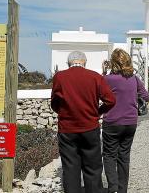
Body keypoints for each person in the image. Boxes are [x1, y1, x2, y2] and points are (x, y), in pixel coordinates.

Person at [51, 51, 116, 193]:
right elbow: (111, 100)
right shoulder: (95, 77)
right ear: (84, 62)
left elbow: (54, 103)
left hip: (67, 130)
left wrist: (64, 113)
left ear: (68, 63)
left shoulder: (60, 77)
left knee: (70, 168)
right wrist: (97, 113)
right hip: (90, 127)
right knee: (92, 168)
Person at [102, 48, 149, 193]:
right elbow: (146, 97)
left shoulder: (107, 79)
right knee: (124, 156)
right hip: (130, 123)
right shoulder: (134, 78)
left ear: (113, 63)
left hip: (112, 122)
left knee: (110, 155)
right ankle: (122, 190)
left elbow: (97, 93)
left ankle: (113, 188)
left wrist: (104, 72)